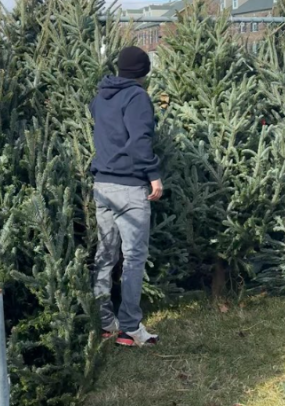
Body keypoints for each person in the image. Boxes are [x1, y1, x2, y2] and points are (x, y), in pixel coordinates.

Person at [90, 46, 163, 347]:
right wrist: (154, 175)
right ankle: (130, 328)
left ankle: (104, 322)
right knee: (134, 257)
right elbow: (139, 140)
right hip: (129, 187)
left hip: (102, 185)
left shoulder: (100, 97)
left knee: (105, 255)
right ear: (143, 72)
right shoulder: (137, 97)